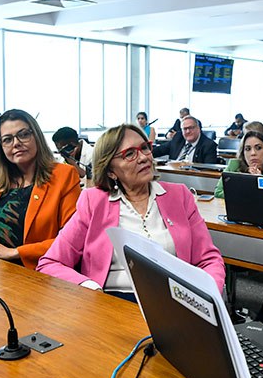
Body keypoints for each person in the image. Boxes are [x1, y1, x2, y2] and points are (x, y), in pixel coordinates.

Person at [36, 124, 225, 299]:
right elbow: (51, 263)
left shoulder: (179, 196)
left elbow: (209, 259)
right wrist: (88, 287)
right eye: (129, 154)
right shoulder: (93, 202)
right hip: (113, 302)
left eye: (144, 148)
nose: (143, 157)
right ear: (111, 171)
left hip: (176, 300)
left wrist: (207, 297)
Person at [0, 110, 81, 269]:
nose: (16, 143)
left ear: (37, 137)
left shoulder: (64, 175)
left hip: (38, 270)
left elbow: (72, 239)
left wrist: (15, 252)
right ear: (0, 146)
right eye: (7, 139)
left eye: (24, 134)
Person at [213, 130, 263, 198]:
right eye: (248, 149)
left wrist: (260, 181)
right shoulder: (233, 166)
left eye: (258, 148)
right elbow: (218, 192)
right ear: (243, 153)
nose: (253, 153)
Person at [151, 115, 217, 163]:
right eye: (185, 129)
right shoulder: (178, 138)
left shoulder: (209, 145)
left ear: (198, 129)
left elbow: (209, 169)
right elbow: (159, 150)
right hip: (173, 174)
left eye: (191, 128)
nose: (188, 131)